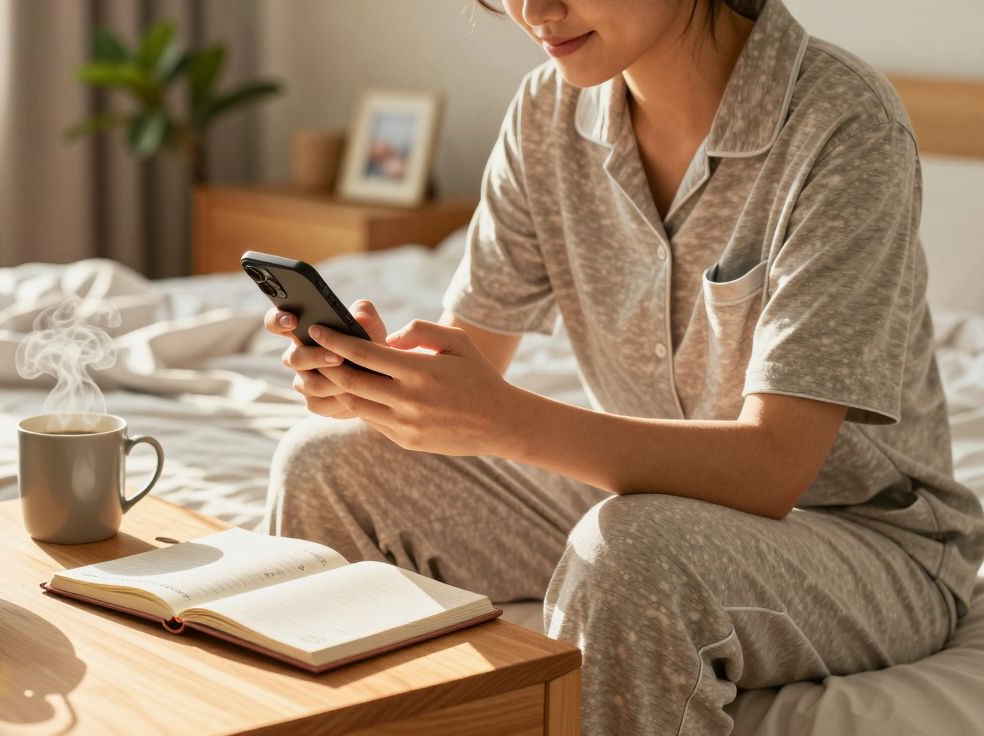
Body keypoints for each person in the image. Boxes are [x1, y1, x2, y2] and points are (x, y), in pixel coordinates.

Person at [260, 0, 984, 733]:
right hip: (643, 490)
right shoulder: (548, 110)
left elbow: (774, 465)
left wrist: (506, 420)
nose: (534, 11)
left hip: (864, 537)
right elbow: (467, 361)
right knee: (328, 462)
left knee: (629, 554)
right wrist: (383, 386)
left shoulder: (843, 123)